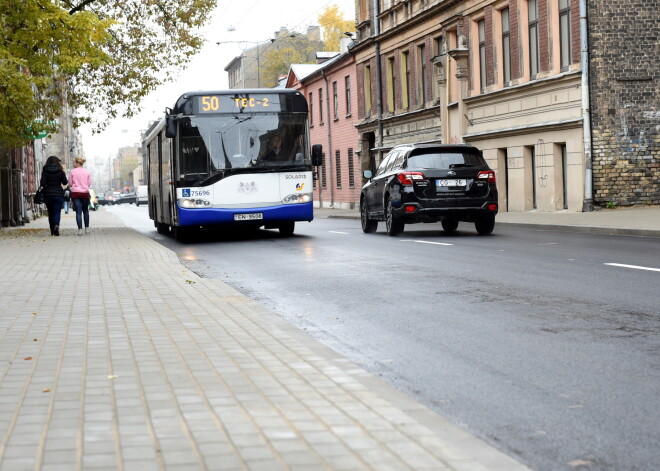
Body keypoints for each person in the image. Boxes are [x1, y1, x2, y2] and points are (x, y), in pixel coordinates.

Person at [40, 156, 68, 236]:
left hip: (48, 194)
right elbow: (65, 182)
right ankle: (56, 225)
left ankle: (52, 230)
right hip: (58, 194)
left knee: (50, 212)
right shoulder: (60, 170)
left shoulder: (45, 170)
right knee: (57, 212)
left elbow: (42, 183)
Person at [69, 157, 92, 236]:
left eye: (74, 163)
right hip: (85, 193)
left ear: (78, 163)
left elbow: (70, 184)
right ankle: (87, 228)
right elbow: (89, 184)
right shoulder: (87, 171)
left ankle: (80, 230)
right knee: (85, 210)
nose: (73, 164)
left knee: (78, 212)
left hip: (76, 193)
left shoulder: (72, 171)